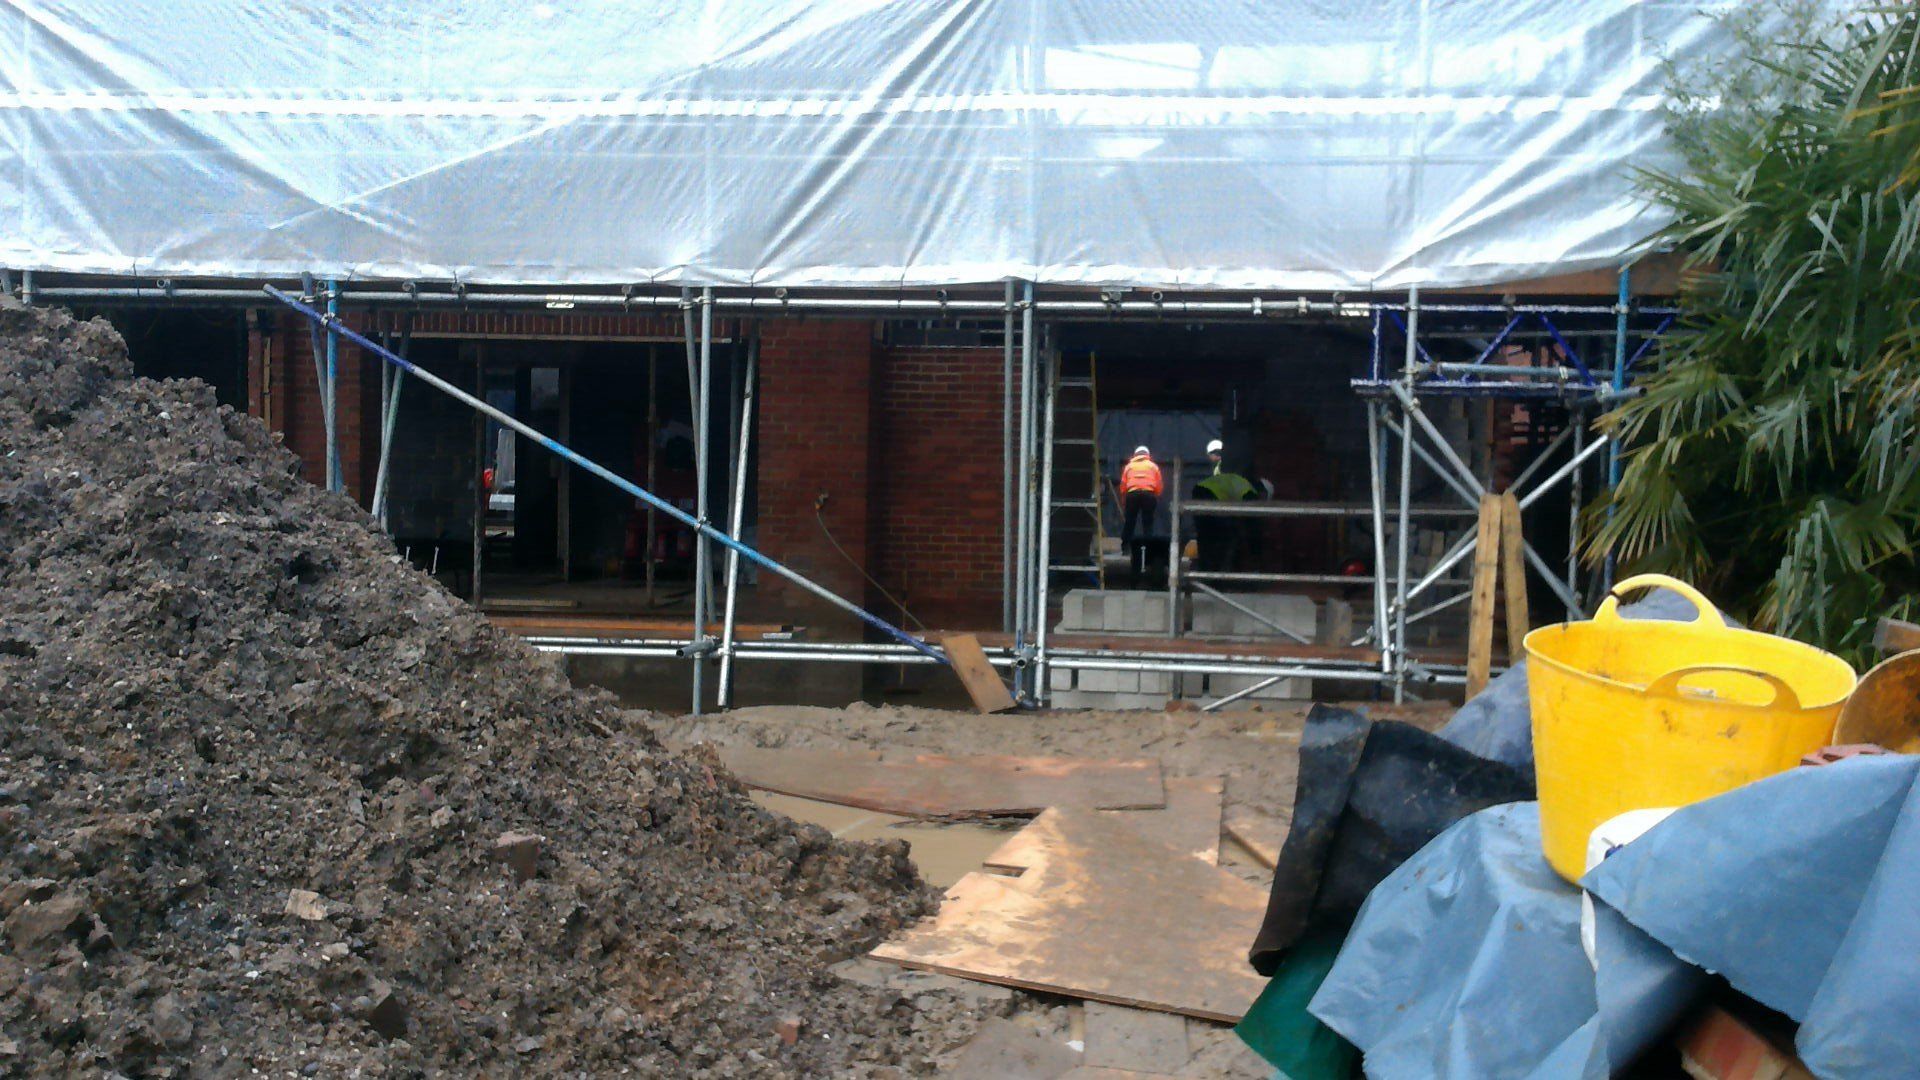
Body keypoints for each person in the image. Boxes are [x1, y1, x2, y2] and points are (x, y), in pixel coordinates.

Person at [1117, 445, 1163, 583]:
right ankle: (1148, 548)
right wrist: (1155, 495)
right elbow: (1159, 484)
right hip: (1149, 494)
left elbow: (1123, 485)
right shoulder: (1153, 466)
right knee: (1147, 522)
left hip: (1132, 494)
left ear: (1135, 454)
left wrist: (1124, 497)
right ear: (1147, 454)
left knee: (1130, 521)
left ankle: (1125, 546)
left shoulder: (1129, 466)